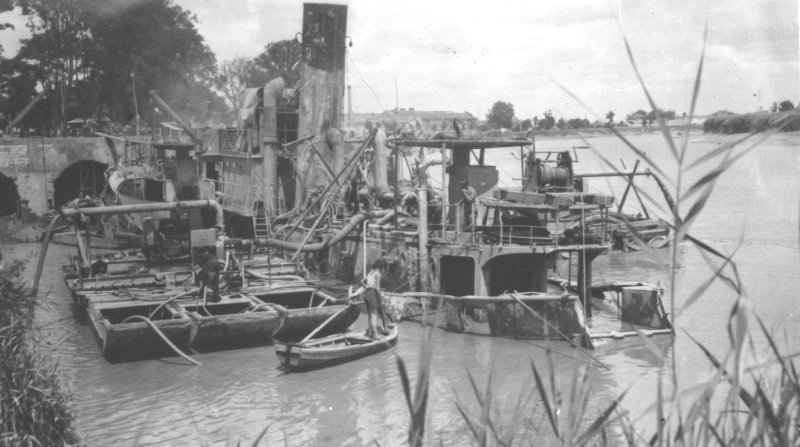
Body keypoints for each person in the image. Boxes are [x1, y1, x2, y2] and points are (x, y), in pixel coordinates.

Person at [362, 260, 390, 339]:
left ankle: (371, 333)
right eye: (383, 268)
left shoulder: (370, 273)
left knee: (370, 315)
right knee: (374, 315)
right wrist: (382, 299)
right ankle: (375, 335)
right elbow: (377, 289)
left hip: (366, 294)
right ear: (381, 267)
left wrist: (368, 287)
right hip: (372, 294)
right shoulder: (378, 274)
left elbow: (362, 282)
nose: (383, 270)